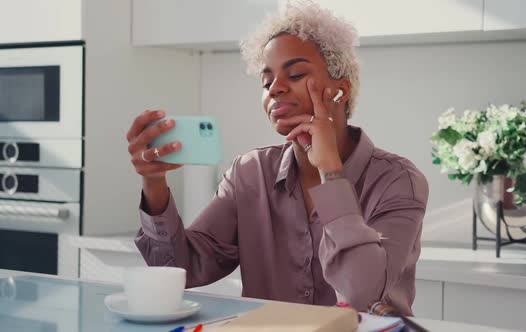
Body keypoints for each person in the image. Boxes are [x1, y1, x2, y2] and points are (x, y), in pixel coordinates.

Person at [126, 0, 428, 316]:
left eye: (295, 74)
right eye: (266, 81)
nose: (275, 89)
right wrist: (154, 182)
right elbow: (179, 268)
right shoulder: (249, 173)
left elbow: (363, 293)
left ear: (340, 91)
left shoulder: (398, 181)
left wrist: (331, 173)